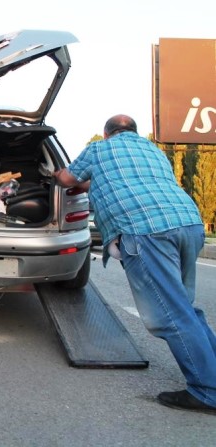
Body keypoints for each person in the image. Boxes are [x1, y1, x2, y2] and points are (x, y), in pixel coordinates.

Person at [53, 114, 216, 415]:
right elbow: (122, 183)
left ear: (107, 133)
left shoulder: (100, 150)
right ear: (134, 132)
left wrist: (53, 173)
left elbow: (67, 179)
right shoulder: (153, 151)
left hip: (147, 231)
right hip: (188, 225)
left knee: (169, 315)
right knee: (186, 308)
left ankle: (207, 392)